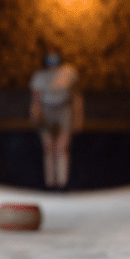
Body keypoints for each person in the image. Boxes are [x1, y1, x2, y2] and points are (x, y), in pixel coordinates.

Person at [30, 45, 83, 190]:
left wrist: (78, 118)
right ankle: (49, 184)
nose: (52, 59)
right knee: (48, 148)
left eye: (55, 55)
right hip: (46, 110)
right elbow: (36, 100)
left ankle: (62, 184)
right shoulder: (39, 76)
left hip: (64, 110)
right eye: (49, 55)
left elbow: (77, 96)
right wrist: (35, 115)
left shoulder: (69, 72)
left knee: (62, 147)